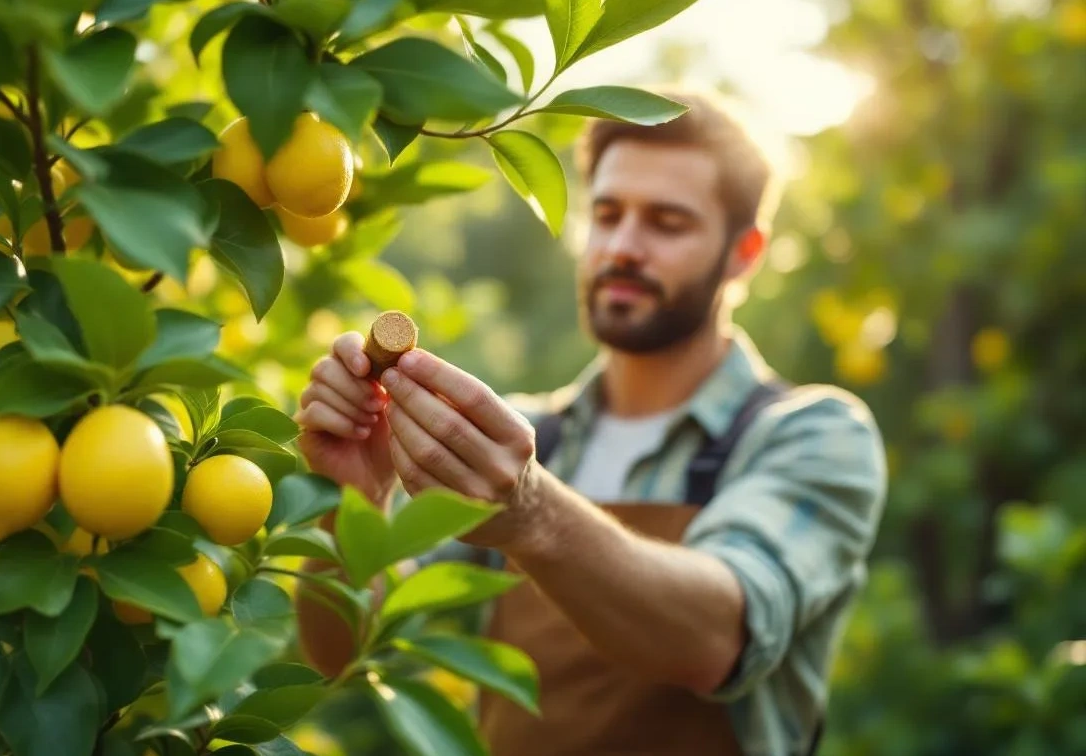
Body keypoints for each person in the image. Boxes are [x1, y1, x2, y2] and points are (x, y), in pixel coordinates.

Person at [291, 88, 888, 756]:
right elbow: (344, 650)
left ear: (744, 253)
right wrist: (350, 501)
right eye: (608, 215)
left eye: (667, 223)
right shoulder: (531, 433)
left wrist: (532, 512)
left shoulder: (811, 434)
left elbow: (718, 640)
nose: (623, 247)